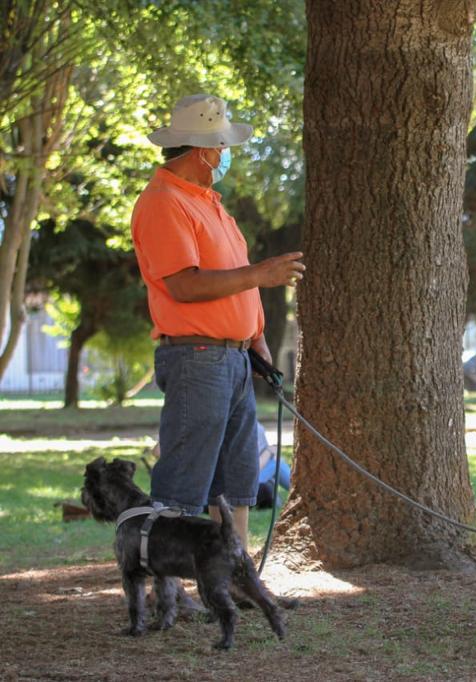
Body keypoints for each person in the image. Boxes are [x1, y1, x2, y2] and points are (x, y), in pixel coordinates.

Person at [132, 93, 304, 549]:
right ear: (204, 151)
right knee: (184, 478)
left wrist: (257, 339)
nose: (226, 155)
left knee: (237, 472)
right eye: (223, 147)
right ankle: (169, 586)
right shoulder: (164, 202)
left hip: (233, 357)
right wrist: (262, 274)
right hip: (197, 357)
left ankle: (234, 572)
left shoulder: (208, 202)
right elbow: (184, 285)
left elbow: (233, 283)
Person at [149, 421, 291, 510]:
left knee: (274, 463)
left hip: (225, 480)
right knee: (275, 462)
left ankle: (291, 492)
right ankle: (299, 490)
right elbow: (157, 451)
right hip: (231, 481)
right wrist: (268, 452)